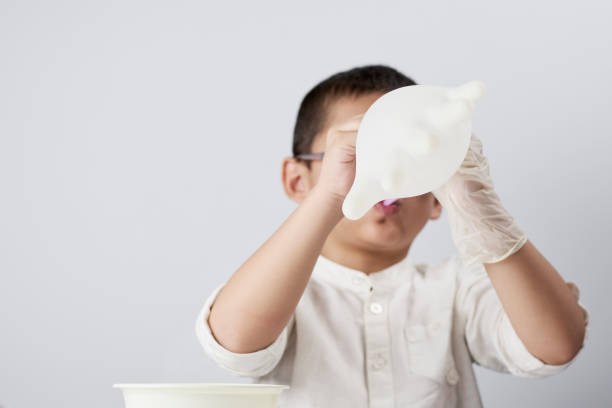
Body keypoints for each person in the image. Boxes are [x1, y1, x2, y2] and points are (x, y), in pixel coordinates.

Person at [195, 65, 588, 407]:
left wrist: (483, 213)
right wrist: (330, 196)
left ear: (436, 199)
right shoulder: (284, 296)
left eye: (408, 162)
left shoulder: (456, 290)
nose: (386, 181)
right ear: (298, 180)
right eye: (363, 154)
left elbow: (555, 347)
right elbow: (235, 341)